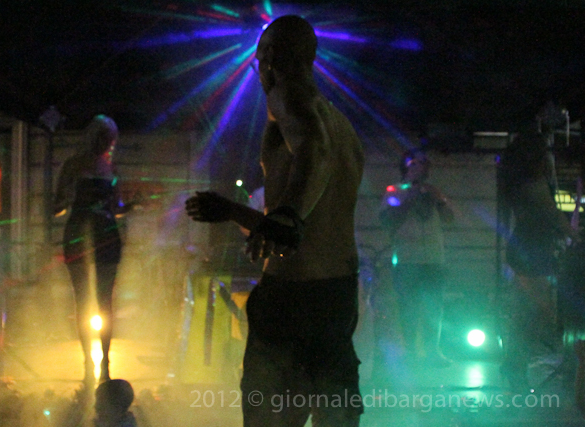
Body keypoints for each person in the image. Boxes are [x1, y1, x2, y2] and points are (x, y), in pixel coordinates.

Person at [185, 15, 364, 427]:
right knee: (334, 416)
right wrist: (237, 212)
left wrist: (287, 214)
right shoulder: (344, 127)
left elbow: (313, 153)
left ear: (268, 59)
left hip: (291, 299)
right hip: (337, 297)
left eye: (260, 62)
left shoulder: (287, 95)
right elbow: (290, 231)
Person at [54, 115, 134, 385]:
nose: (107, 144)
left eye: (109, 140)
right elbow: (58, 205)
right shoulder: (92, 168)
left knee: (98, 302)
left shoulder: (95, 167)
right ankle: (95, 365)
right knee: (92, 302)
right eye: (106, 139)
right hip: (91, 236)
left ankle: (99, 366)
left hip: (95, 237)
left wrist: (132, 206)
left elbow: (116, 208)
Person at [499, 130, 575, 390]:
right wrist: (573, 234)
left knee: (527, 311)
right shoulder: (534, 182)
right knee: (532, 313)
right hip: (533, 249)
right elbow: (552, 213)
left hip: (526, 246)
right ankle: (514, 366)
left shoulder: (516, 181)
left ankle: (514, 365)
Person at [379, 148, 454, 368]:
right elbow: (387, 221)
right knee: (408, 307)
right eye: (414, 163)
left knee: (434, 308)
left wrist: (439, 200)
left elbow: (449, 219)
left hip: (434, 259)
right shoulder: (394, 191)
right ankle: (411, 352)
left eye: (423, 164)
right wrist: (408, 199)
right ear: (405, 167)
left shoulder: (433, 191)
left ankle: (433, 352)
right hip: (407, 259)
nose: (420, 168)